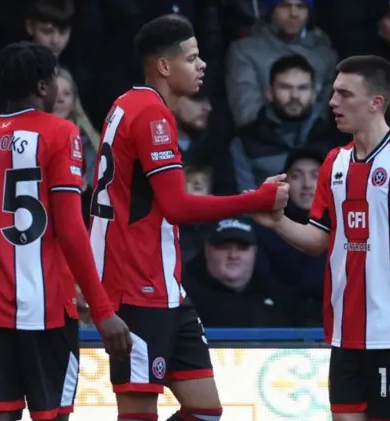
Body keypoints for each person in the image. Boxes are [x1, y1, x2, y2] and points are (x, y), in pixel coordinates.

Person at [87, 15, 289, 421]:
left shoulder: (126, 104)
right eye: (192, 58)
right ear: (164, 66)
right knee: (138, 412)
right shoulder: (151, 114)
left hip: (164, 286)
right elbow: (178, 206)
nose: (203, 66)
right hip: (137, 284)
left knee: (205, 410)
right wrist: (255, 199)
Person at [252, 55, 390, 421]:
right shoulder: (334, 162)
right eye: (333, 93)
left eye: (344, 95)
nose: (332, 103)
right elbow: (319, 239)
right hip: (345, 334)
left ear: (376, 103)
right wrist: (277, 221)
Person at [0, 41, 131, 421]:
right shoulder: (60, 133)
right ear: (42, 86)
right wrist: (102, 310)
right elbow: (69, 229)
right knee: (51, 415)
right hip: (46, 307)